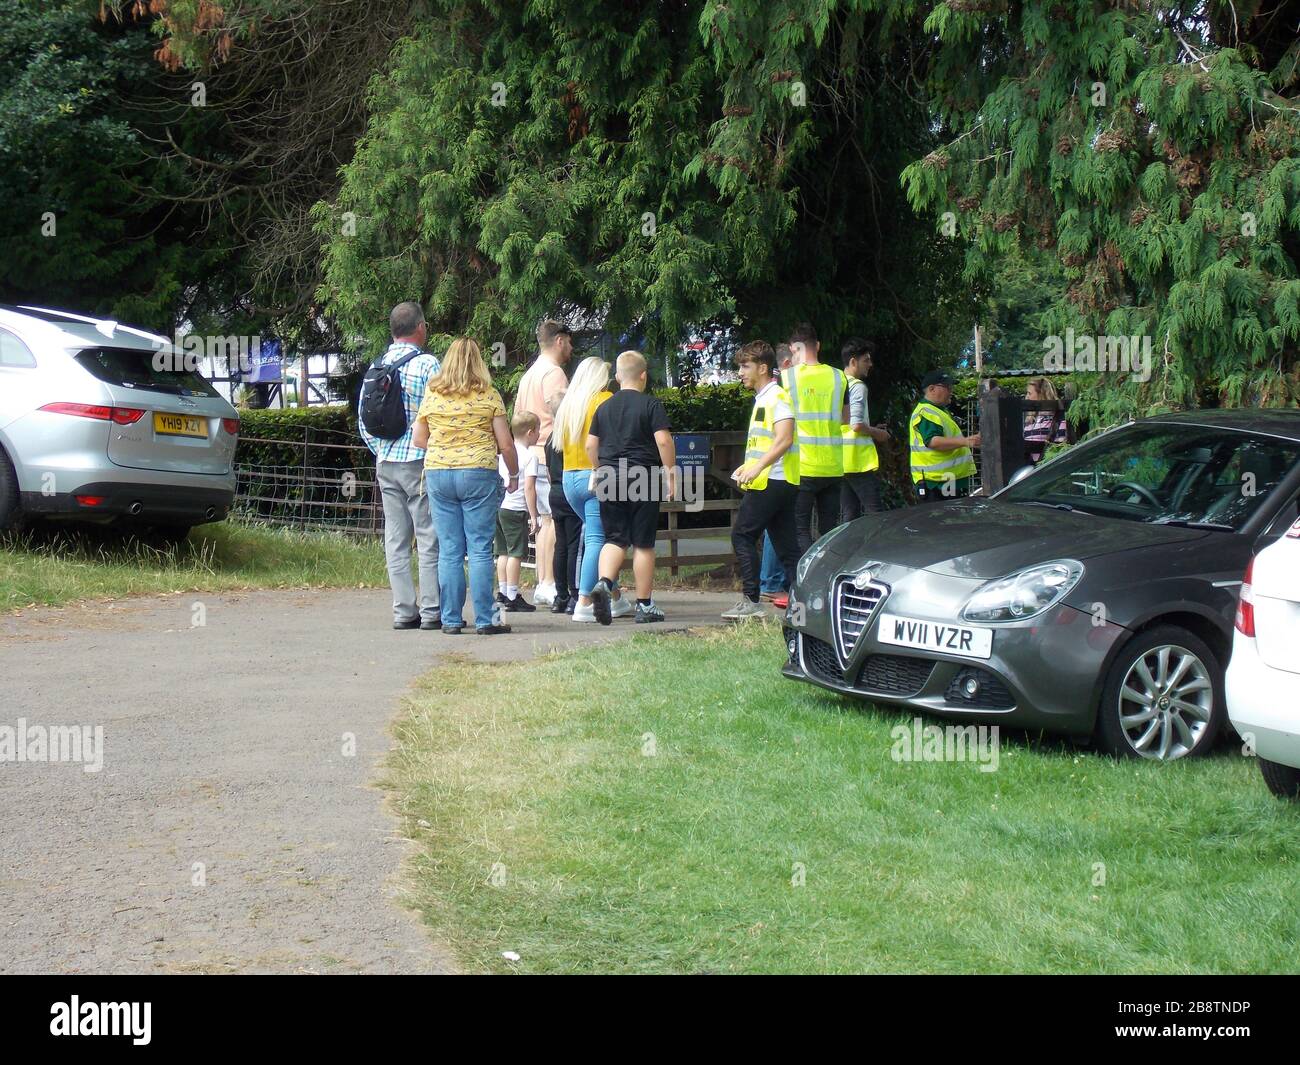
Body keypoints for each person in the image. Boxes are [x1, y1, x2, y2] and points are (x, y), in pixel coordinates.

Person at [412, 338, 517, 635]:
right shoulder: (489, 395)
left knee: (449, 550)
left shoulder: (433, 394)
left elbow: (419, 439)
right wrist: (514, 474)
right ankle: (486, 620)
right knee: (481, 549)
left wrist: (447, 444)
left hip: (439, 473)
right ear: (479, 362)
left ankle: (451, 620)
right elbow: (506, 444)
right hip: (478, 473)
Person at [358, 301, 442, 631]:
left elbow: (363, 421)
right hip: (420, 462)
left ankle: (404, 610)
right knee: (428, 536)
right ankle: (432, 609)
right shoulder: (428, 365)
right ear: (420, 327)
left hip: (386, 463)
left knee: (396, 538)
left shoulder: (375, 367)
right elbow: (441, 414)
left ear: (393, 331)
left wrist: (381, 449)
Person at [587, 350, 675, 625]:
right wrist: (670, 473)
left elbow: (591, 445)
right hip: (643, 476)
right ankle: (645, 605)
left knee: (614, 538)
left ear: (616, 378)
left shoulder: (604, 407)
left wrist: (598, 468)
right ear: (644, 376)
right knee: (643, 543)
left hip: (609, 475)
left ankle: (603, 583)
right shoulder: (651, 405)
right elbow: (663, 441)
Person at [723, 340, 801, 620]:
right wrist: (747, 468)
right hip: (775, 481)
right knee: (788, 548)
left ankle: (751, 601)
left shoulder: (776, 397)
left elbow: (784, 440)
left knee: (742, 535)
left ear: (763, 368)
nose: (741, 372)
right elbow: (764, 444)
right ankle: (802, 604)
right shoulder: (764, 398)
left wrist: (756, 469)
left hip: (773, 481)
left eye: (746, 366)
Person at [555, 356, 630, 623]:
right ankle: (585, 600)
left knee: (601, 538)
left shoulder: (569, 404)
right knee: (598, 539)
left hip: (569, 477)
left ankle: (615, 595)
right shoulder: (604, 400)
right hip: (594, 474)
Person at [513, 319, 572, 605]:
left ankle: (542, 581)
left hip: (528, 456)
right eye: (569, 342)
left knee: (542, 521)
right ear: (559, 341)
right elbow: (561, 415)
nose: (571, 348)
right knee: (549, 522)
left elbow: (517, 417)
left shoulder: (529, 375)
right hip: (547, 455)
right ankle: (548, 581)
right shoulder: (554, 373)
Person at [781, 322, 848, 552]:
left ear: (793, 348)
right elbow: (846, 419)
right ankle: (827, 578)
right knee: (829, 530)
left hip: (802, 468)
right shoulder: (839, 377)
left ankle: (804, 579)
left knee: (799, 529)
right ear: (817, 345)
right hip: (833, 466)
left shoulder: (787, 378)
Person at [840, 337, 891, 522]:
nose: (870, 364)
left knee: (849, 515)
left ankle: (846, 550)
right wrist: (879, 434)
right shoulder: (858, 386)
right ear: (853, 361)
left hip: (841, 459)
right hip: (858, 459)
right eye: (866, 360)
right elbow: (856, 424)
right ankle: (877, 551)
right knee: (875, 514)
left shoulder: (837, 383)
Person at [909, 370, 980, 503]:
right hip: (936, 482)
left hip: (944, 479)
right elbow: (933, 441)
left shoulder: (937, 411)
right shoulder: (926, 412)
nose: (951, 391)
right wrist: (965, 441)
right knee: (942, 520)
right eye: (947, 387)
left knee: (948, 519)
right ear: (931, 389)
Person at [495, 411, 540, 612]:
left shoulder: (504, 453)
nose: (539, 434)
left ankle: (503, 592)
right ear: (530, 432)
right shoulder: (530, 456)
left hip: (500, 506)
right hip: (516, 508)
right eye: (538, 431)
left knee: (502, 551)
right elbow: (529, 488)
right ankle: (513, 595)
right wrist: (534, 515)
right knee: (516, 553)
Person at [544, 434, 580, 614]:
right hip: (570, 489)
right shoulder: (573, 433)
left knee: (561, 545)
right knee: (574, 544)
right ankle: (575, 594)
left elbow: (549, 471)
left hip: (555, 491)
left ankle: (561, 596)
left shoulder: (551, 438)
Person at [1023, 376, 1068, 464]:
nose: (1026, 397)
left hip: (1048, 465)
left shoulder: (1057, 418)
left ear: (1041, 394)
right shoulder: (1031, 419)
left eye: (1029, 393)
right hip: (1031, 467)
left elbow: (1061, 445)